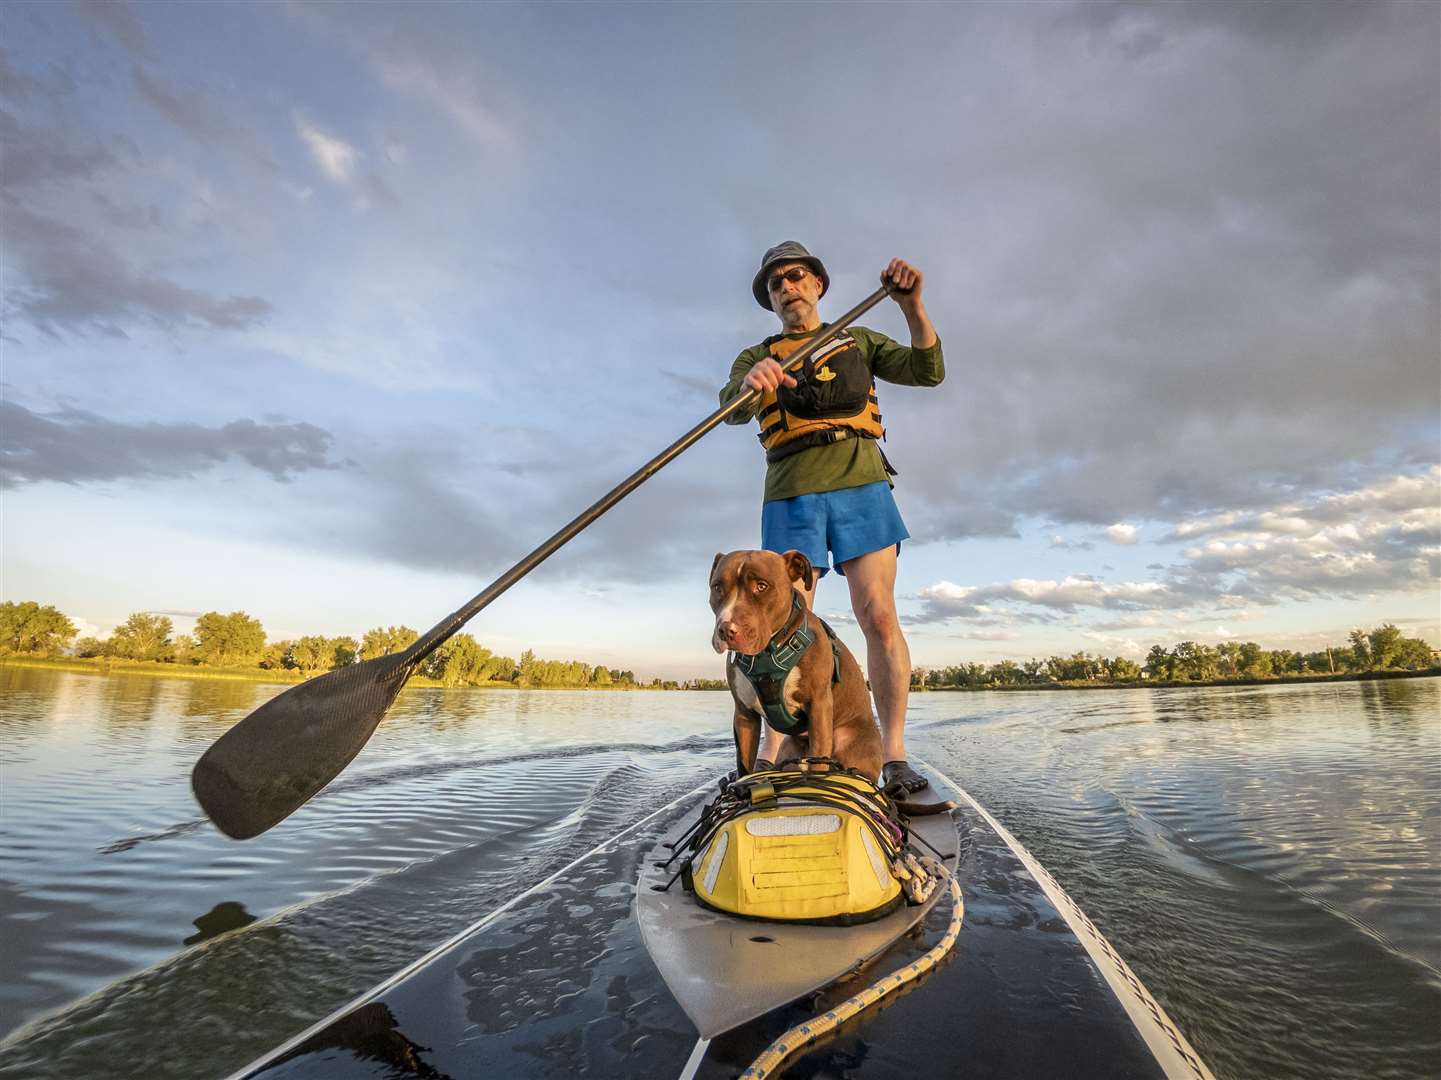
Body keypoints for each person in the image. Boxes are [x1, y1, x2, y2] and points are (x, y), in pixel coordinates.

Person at [717, 241, 944, 793]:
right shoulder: (758, 355)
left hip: (861, 483)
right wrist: (753, 385)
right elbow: (730, 407)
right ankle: (770, 758)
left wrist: (912, 306)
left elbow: (927, 370)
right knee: (777, 625)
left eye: (796, 276)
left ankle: (892, 756)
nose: (787, 287)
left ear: (817, 283)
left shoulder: (858, 338)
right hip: (791, 487)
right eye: (775, 284)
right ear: (771, 301)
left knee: (879, 616)